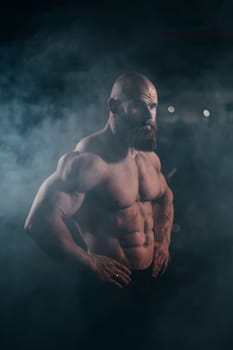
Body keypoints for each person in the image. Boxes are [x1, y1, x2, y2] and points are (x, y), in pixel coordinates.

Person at [24, 72, 174, 349]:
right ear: (114, 106)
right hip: (109, 285)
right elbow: (39, 222)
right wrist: (89, 262)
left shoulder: (149, 158)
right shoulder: (88, 162)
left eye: (153, 106)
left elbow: (165, 197)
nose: (149, 114)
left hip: (150, 279)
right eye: (139, 105)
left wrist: (163, 241)